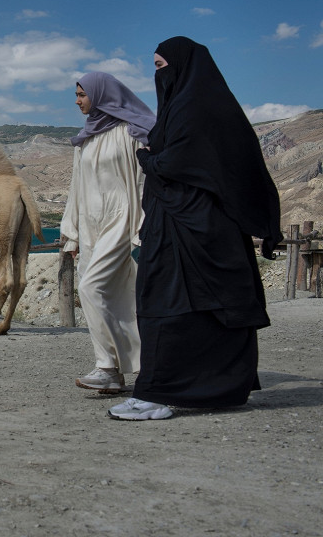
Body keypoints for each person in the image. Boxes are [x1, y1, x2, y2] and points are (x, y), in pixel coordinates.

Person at [108, 36, 283, 421]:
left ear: (182, 66)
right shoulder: (194, 107)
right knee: (188, 307)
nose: (157, 76)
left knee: (169, 306)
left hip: (193, 230)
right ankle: (210, 390)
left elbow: (176, 163)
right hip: (190, 227)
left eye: (159, 67)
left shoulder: (196, 109)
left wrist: (146, 157)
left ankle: (157, 394)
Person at [61, 72, 156, 394]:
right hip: (90, 226)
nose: (77, 101)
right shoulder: (84, 138)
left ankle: (106, 366)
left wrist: (144, 226)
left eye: (82, 94)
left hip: (121, 221)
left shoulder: (134, 133)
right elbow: (76, 187)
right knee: (113, 297)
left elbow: (146, 182)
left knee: (90, 287)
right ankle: (122, 372)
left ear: (102, 94)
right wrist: (71, 233)